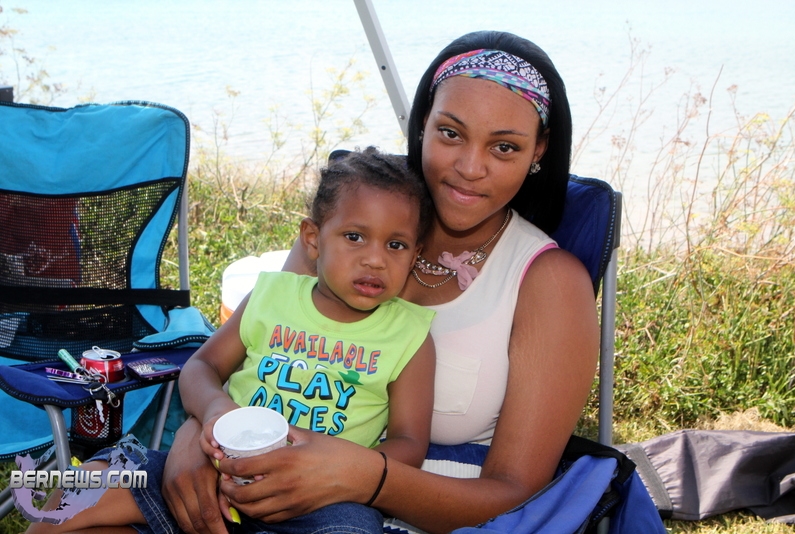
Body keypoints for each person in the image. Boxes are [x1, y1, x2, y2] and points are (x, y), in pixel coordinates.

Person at [157, 30, 600, 534]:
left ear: (538, 149)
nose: (470, 167)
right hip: (257, 481)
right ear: (422, 124)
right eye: (450, 133)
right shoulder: (356, 224)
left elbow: (515, 494)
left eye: (504, 147)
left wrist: (364, 479)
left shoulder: (549, 282)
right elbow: (253, 355)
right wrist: (196, 437)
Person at [25, 147, 437, 534]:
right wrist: (215, 409)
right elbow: (202, 366)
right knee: (83, 485)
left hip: (320, 499)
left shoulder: (409, 336)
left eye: (395, 245)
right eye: (355, 237)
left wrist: (341, 467)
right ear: (313, 238)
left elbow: (409, 444)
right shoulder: (271, 297)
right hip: (212, 469)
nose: (375, 259)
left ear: (414, 255)